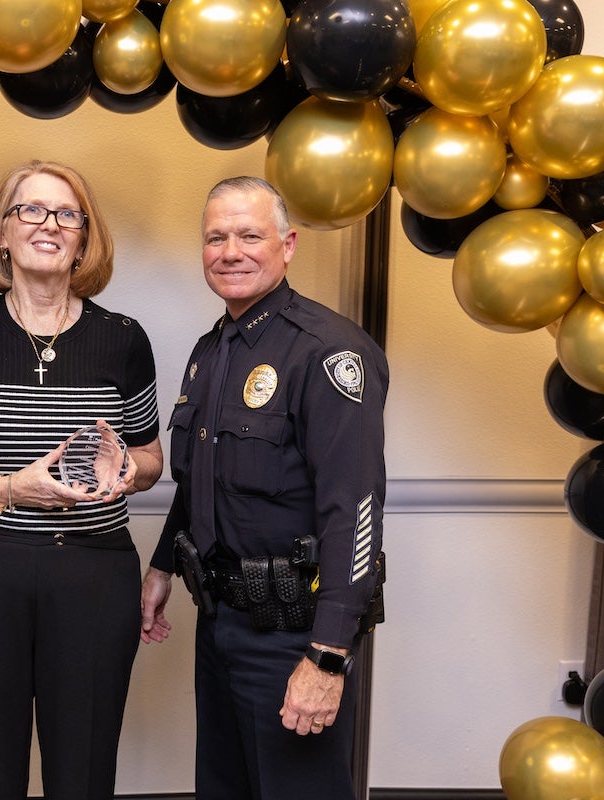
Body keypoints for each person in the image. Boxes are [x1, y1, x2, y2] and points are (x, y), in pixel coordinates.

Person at [0, 160, 164, 800]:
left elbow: (153, 460)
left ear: (84, 238)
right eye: (31, 210)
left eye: (67, 213)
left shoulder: (123, 341)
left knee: (85, 775)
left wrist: (127, 470)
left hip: (95, 577)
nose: (49, 224)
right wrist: (11, 489)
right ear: (3, 232)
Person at [139, 176, 388, 799]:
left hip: (294, 637)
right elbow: (201, 477)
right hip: (219, 622)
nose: (231, 251)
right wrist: (164, 565)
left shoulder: (327, 352)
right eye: (215, 237)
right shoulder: (212, 350)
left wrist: (329, 654)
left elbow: (354, 510)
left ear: (288, 244)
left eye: (250, 235)